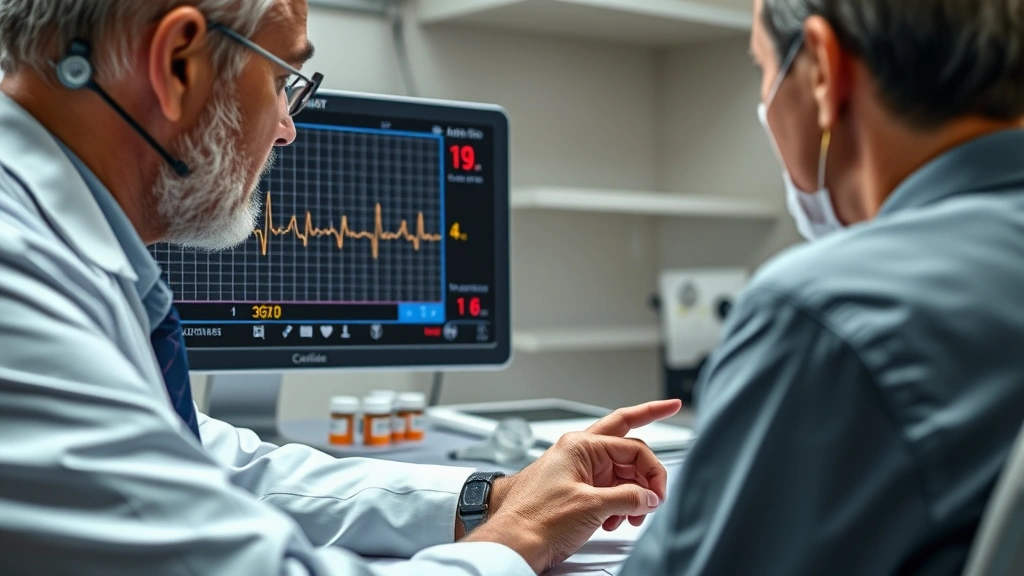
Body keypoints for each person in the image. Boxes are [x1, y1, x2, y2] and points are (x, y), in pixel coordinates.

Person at [0, 1, 681, 574]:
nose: (289, 128)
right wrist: (518, 541)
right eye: (280, 81)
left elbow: (195, 461)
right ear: (179, 62)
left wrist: (493, 497)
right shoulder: (16, 280)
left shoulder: (57, 245)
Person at [620, 0, 1024, 574]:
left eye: (764, 68)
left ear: (822, 68)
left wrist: (505, 538)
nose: (766, 101)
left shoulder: (828, 313)